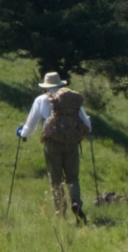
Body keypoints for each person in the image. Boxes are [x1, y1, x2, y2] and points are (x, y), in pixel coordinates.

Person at [19, 71, 92, 223]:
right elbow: (87, 125)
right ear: (59, 84)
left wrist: (23, 134)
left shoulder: (42, 100)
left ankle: (61, 213)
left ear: (46, 87)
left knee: (55, 179)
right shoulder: (71, 100)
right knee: (72, 176)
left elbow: (31, 124)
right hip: (71, 142)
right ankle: (76, 202)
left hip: (52, 143)